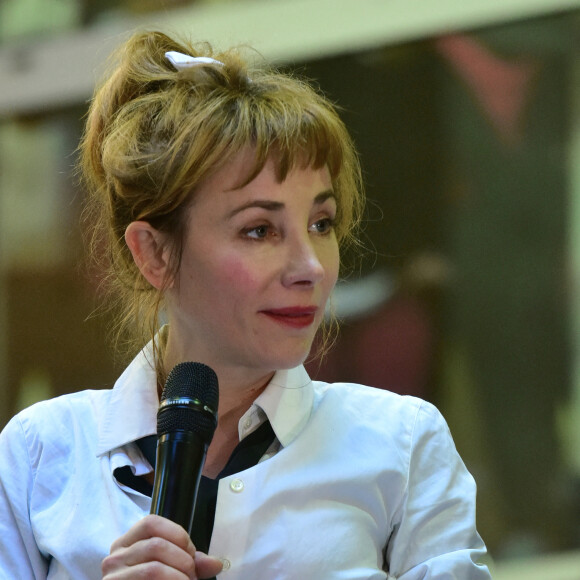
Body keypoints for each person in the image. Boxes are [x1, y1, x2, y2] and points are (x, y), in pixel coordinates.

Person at [0, 30, 491, 579]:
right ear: (155, 252)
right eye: (260, 230)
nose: (311, 267)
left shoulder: (402, 442)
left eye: (321, 223)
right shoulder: (41, 452)